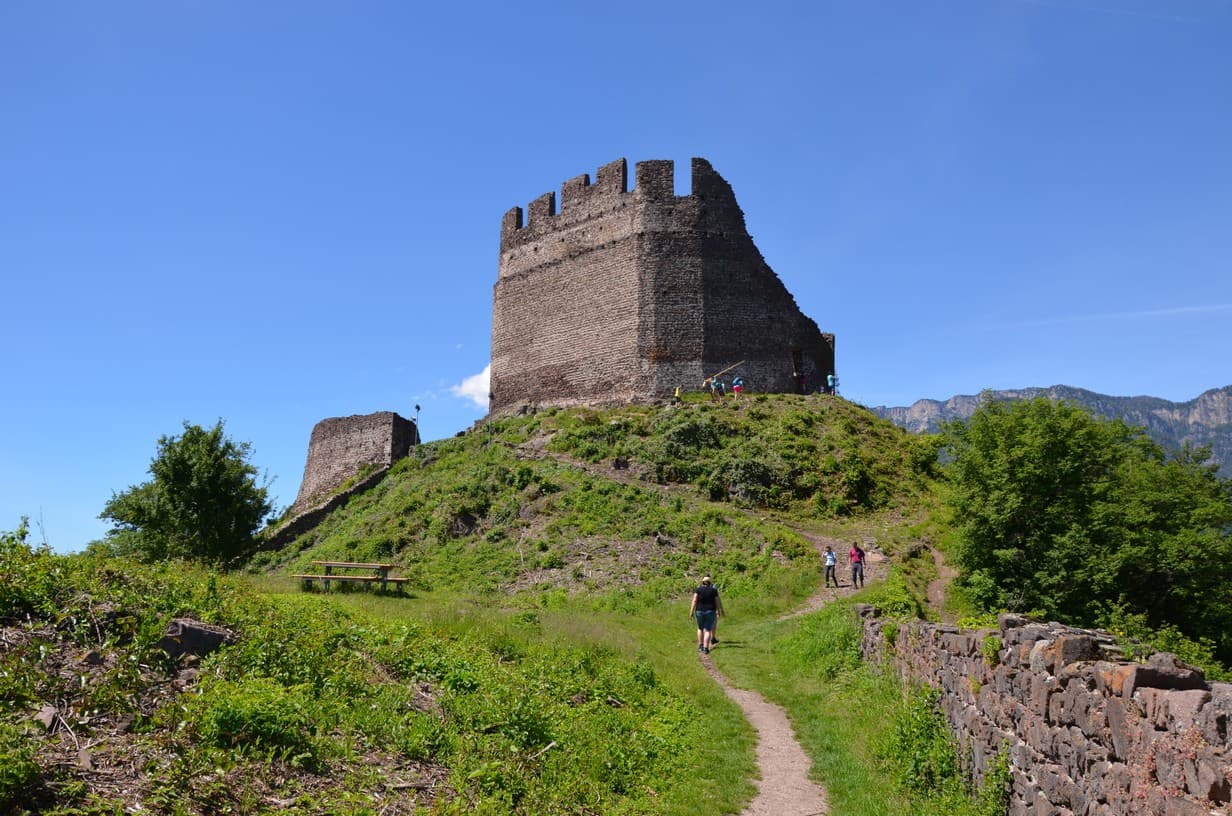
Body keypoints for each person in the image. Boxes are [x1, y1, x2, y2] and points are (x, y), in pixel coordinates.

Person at [689, 575, 723, 654]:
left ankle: (700, 645)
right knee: (708, 630)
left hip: (699, 611)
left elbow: (694, 601)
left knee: (700, 628)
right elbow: (717, 602)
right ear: (710, 582)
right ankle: (706, 648)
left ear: (702, 582)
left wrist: (691, 613)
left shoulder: (698, 590)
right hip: (710, 611)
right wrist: (719, 611)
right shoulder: (713, 590)